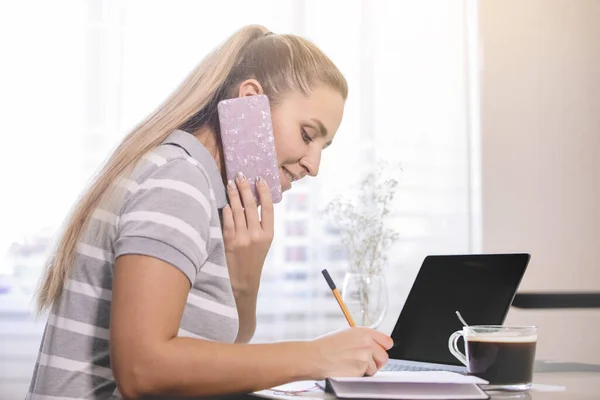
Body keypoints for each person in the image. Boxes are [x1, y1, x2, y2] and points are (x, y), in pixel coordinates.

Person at [27, 25, 393, 400]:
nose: (313, 165)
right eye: (307, 134)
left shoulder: (200, 183)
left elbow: (217, 351)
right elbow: (143, 370)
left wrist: (244, 278)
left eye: (324, 147)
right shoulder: (179, 180)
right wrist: (317, 355)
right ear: (252, 101)